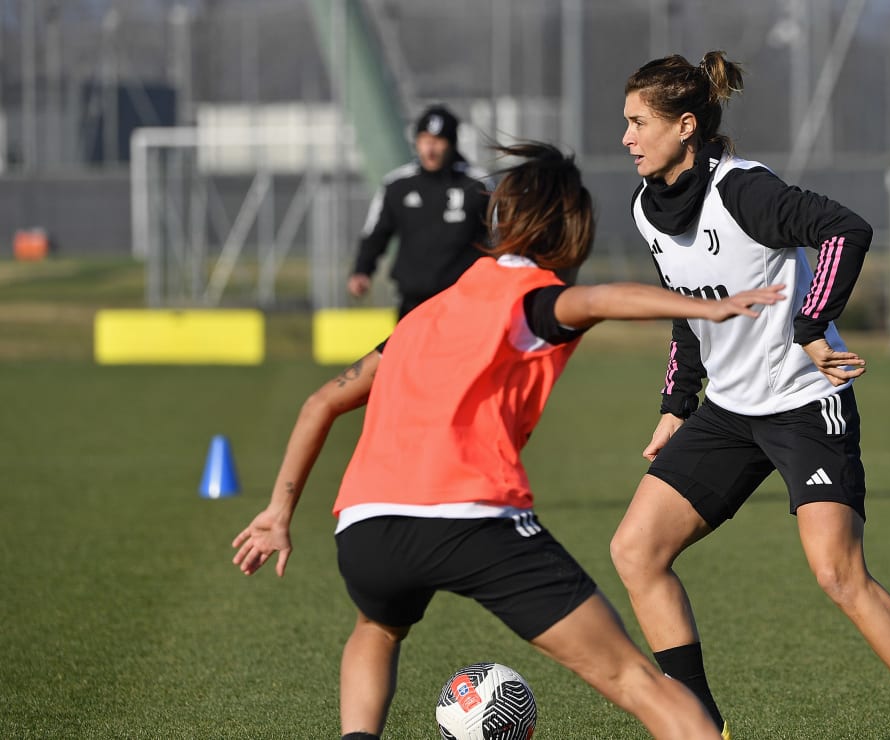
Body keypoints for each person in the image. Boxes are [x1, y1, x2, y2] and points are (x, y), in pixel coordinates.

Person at [232, 141, 785, 740]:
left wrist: (278, 512)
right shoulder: (530, 301)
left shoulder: (425, 315)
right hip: (470, 517)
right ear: (572, 230)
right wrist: (707, 307)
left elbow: (322, 401)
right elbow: (599, 300)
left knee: (377, 629)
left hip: (367, 524)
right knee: (635, 681)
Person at [609, 52, 890, 740]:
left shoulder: (744, 190)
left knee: (837, 574)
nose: (626, 137)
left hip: (806, 401)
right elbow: (689, 310)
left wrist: (810, 323)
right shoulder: (644, 209)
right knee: (636, 550)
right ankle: (699, 728)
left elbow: (847, 230)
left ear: (685, 126)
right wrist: (674, 405)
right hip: (728, 412)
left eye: (638, 122)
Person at [348, 104, 489, 318]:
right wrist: (362, 270)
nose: (430, 149)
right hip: (412, 302)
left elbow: (500, 237)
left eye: (438, 142)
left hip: (464, 301)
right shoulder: (397, 185)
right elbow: (376, 234)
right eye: (424, 141)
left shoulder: (478, 184)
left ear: (451, 144)